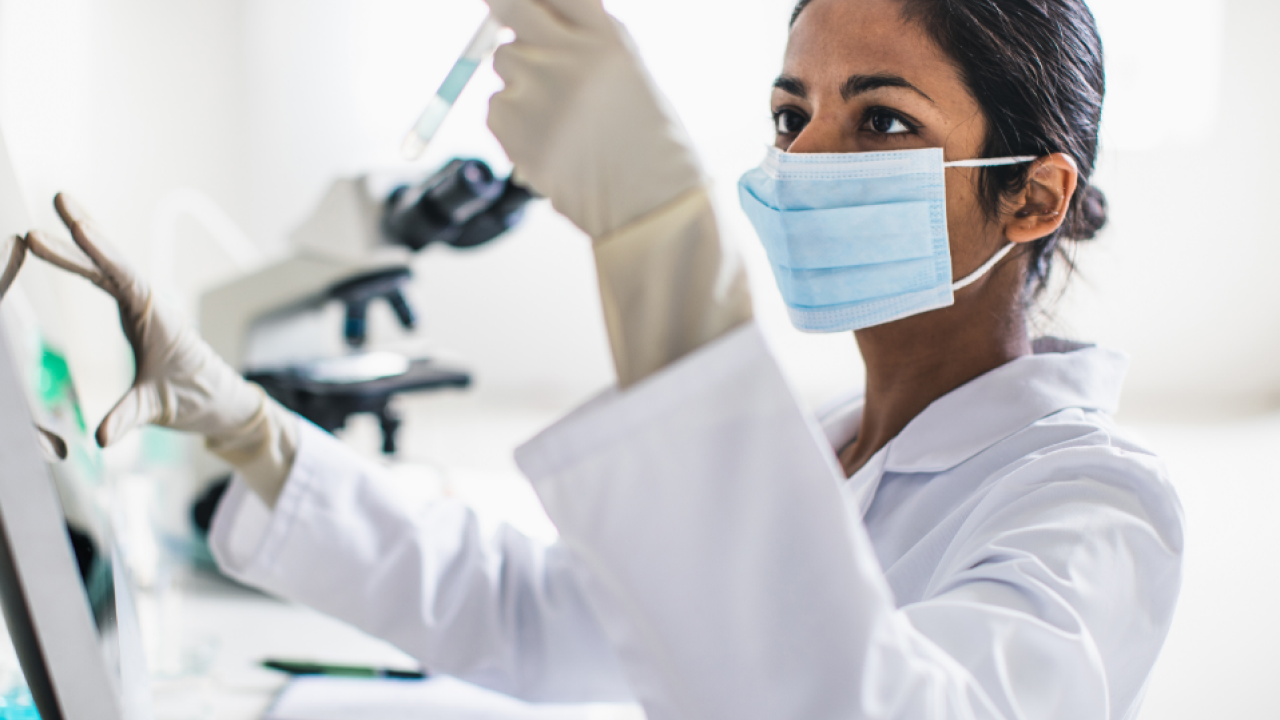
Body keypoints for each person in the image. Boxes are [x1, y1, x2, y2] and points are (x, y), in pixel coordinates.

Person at [25, 0, 1184, 718]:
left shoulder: (1091, 504)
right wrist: (249, 432)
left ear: (1031, 195)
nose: (807, 159)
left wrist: (655, 235)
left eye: (879, 119)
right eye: (791, 117)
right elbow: (530, 613)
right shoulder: (829, 443)